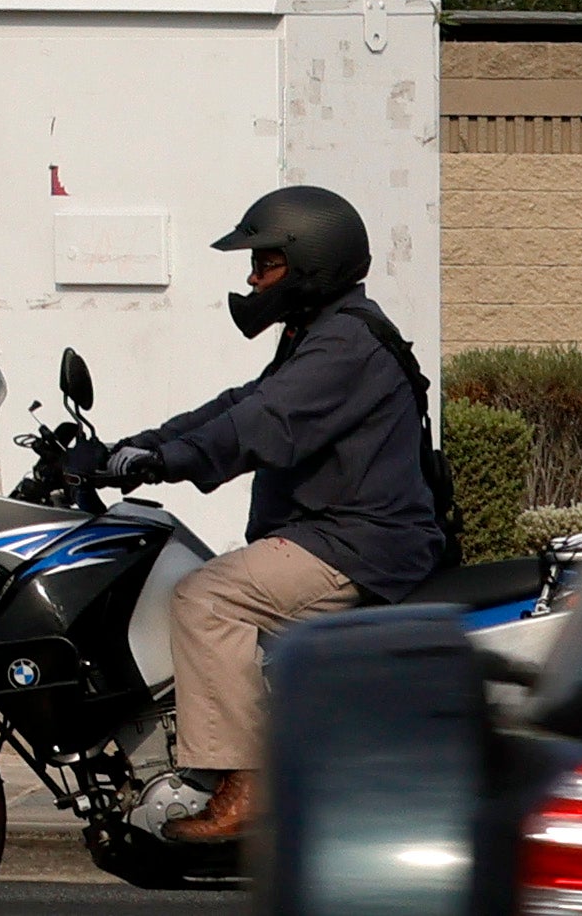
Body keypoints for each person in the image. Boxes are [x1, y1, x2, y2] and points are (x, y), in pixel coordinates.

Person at [101, 183, 450, 844]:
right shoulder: (322, 332)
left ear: (310, 263)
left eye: (266, 264)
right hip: (337, 536)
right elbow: (243, 400)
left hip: (358, 545)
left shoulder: (346, 345)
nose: (254, 278)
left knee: (206, 597)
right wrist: (140, 444)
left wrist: (166, 462)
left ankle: (247, 784)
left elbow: (262, 424)